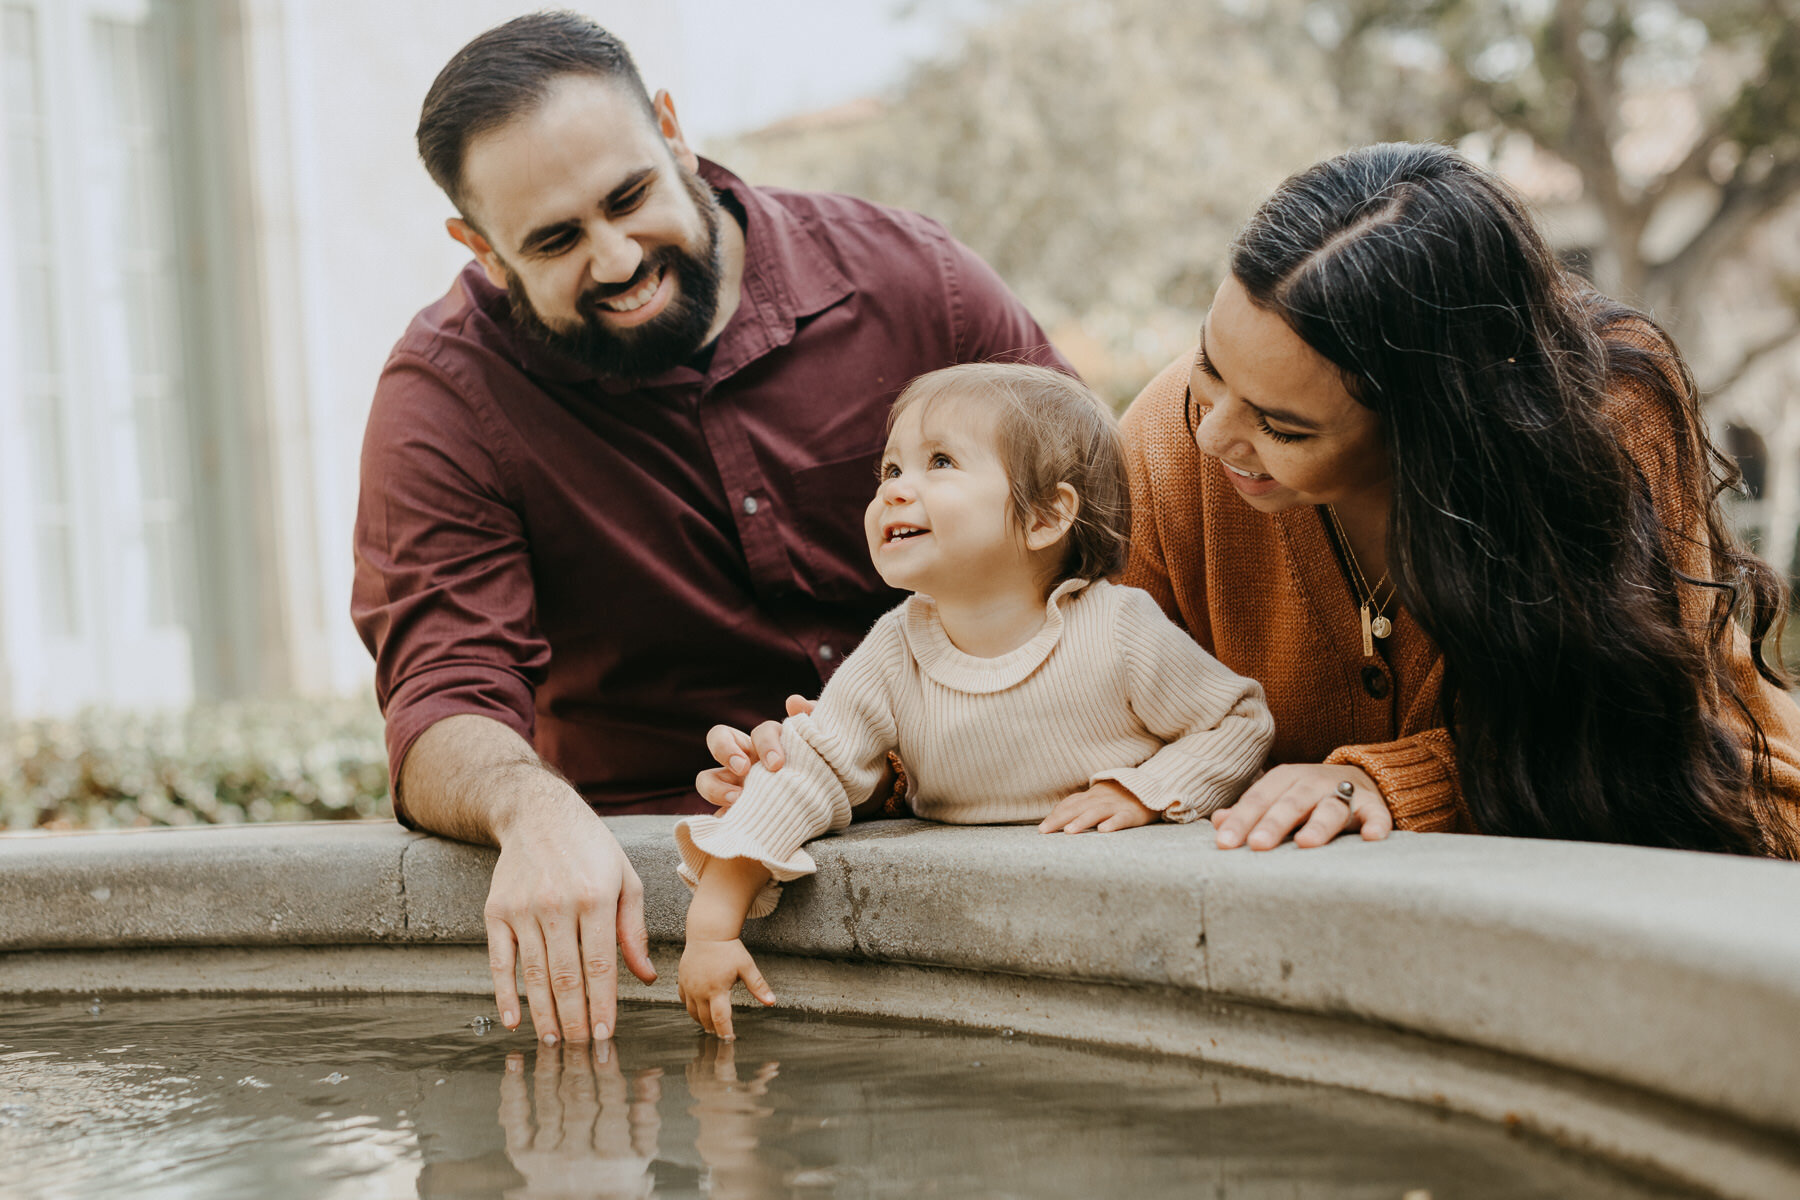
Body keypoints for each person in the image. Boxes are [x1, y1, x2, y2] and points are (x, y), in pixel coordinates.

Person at [701, 143, 1800, 860]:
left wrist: (1393, 776)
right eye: (1211, 368)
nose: (1217, 431)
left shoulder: (1604, 420)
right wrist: (877, 762)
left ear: (1437, 430)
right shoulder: (1177, 436)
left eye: (1284, 426)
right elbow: (1058, 697)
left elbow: (1646, 732)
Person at [351, 13, 1071, 1046]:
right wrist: (532, 809)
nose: (615, 258)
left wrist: (929, 745)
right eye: (554, 241)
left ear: (674, 134)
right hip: (667, 881)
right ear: (482, 250)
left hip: (979, 808)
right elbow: (440, 696)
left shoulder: (915, 284)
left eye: (629, 196)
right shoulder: (446, 395)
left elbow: (1100, 537)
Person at [675, 364, 1274, 1037]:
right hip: (969, 936)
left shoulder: (1118, 628)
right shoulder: (896, 648)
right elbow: (808, 769)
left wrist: (1145, 791)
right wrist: (712, 924)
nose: (897, 490)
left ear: (1047, 515)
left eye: (939, 462)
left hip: (1127, 934)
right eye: (890, 470)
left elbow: (1238, 721)